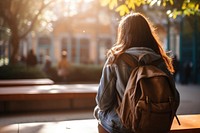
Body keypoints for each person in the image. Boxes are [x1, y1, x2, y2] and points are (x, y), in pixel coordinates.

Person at [93, 12, 175, 133]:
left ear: (124, 34)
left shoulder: (116, 59)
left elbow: (103, 102)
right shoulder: (160, 61)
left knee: (98, 111)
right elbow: (175, 98)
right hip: (158, 123)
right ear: (148, 34)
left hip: (125, 126)